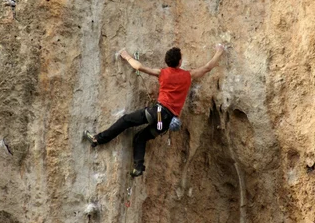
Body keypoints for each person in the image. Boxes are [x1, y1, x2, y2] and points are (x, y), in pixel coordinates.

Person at [84, 44, 225, 177]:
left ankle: (98, 139)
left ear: (167, 61)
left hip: (158, 113)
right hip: (167, 122)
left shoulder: (162, 73)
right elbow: (207, 68)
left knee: (126, 120)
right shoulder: (187, 75)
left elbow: (139, 67)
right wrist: (219, 51)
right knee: (140, 138)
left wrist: (125, 55)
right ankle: (138, 167)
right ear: (180, 62)